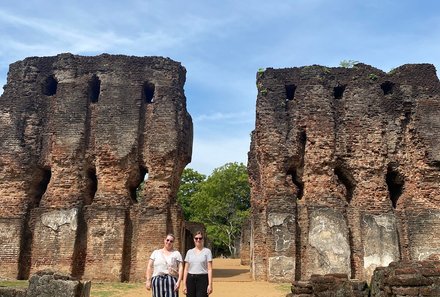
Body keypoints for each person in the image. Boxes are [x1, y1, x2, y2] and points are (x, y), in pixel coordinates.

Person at [183, 231, 213, 297]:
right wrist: (184, 284)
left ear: (203, 239)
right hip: (190, 279)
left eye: (200, 238)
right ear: (194, 239)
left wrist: (210, 284)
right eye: (196, 238)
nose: (198, 240)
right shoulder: (189, 252)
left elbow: (209, 269)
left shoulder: (207, 251)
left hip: (203, 279)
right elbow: (186, 269)